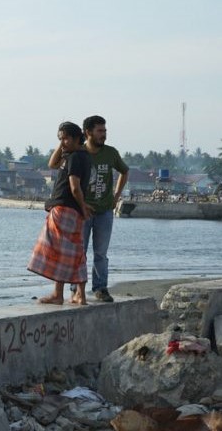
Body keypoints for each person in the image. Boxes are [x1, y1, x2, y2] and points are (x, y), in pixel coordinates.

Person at [28, 121, 93, 305]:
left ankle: (58, 294)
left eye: (65, 138)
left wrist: (82, 207)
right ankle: (81, 295)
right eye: (60, 139)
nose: (62, 142)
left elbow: (74, 187)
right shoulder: (81, 156)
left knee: (58, 250)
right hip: (73, 211)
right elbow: (52, 163)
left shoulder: (74, 158)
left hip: (65, 208)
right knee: (74, 252)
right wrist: (62, 143)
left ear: (76, 138)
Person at [81, 115, 129, 303]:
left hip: (105, 212)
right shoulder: (79, 153)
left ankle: (100, 288)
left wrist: (116, 197)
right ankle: (76, 288)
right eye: (100, 131)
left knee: (101, 253)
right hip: (83, 212)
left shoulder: (111, 153)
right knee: (80, 252)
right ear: (88, 132)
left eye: (105, 131)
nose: (104, 135)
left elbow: (124, 172)